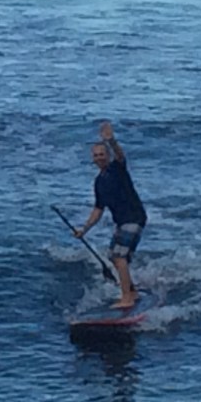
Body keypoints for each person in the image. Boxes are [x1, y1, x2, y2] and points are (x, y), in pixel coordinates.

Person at [74, 121, 147, 308]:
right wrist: (84, 230)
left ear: (108, 155)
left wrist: (111, 141)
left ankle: (127, 298)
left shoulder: (117, 168)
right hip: (121, 222)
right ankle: (132, 291)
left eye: (102, 154)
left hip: (134, 217)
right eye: (96, 155)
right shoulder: (99, 182)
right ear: (92, 158)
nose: (99, 158)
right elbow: (98, 210)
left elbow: (121, 156)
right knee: (113, 255)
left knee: (119, 257)